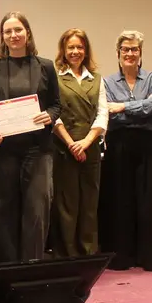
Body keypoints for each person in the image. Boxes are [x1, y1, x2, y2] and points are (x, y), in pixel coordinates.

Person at [0, 11, 60, 263]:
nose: (13, 35)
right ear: (2, 36)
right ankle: (7, 270)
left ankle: (32, 267)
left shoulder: (44, 65)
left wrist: (49, 115)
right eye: (8, 31)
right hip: (0, 150)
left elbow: (56, 105)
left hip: (37, 150)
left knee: (36, 212)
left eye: (18, 30)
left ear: (28, 33)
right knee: (2, 211)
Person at [100, 30, 152, 272]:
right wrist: (139, 110)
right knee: (121, 202)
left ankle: (150, 257)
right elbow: (108, 113)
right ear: (118, 53)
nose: (130, 54)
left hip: (149, 146)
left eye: (134, 49)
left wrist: (123, 108)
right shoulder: (106, 83)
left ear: (141, 54)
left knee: (149, 202)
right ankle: (122, 258)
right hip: (119, 147)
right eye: (125, 49)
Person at [50, 28, 108, 258]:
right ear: (63, 51)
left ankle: (88, 253)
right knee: (67, 204)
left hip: (90, 148)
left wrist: (85, 142)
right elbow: (55, 116)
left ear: (86, 50)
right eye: (71, 47)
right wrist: (72, 143)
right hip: (64, 149)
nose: (75, 51)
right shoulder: (55, 77)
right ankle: (67, 255)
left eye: (79, 47)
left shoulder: (97, 79)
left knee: (89, 204)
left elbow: (102, 114)